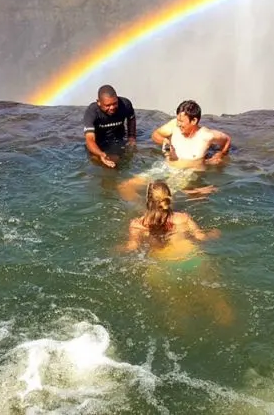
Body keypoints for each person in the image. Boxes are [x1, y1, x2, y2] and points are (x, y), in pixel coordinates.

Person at [119, 180, 233, 327]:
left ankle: (185, 338)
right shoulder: (183, 218)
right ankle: (233, 332)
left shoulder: (138, 224)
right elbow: (201, 237)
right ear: (169, 198)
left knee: (178, 307)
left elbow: (132, 247)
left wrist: (116, 249)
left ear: (148, 200)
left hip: (162, 267)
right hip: (192, 260)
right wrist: (214, 233)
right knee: (216, 301)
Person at [117, 99, 229, 201]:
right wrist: (166, 142)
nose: (178, 124)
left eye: (181, 121)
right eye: (177, 119)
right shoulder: (174, 126)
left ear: (194, 120)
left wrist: (220, 154)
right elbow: (156, 134)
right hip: (165, 166)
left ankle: (157, 215)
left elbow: (226, 140)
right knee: (125, 186)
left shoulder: (206, 136)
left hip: (185, 173)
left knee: (160, 200)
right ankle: (141, 209)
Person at [83, 84, 136, 168]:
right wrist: (100, 154)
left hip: (118, 139)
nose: (112, 107)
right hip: (99, 142)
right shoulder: (91, 112)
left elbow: (131, 118)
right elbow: (90, 139)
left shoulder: (125, 104)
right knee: (97, 161)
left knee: (119, 162)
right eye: (107, 105)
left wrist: (131, 137)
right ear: (99, 102)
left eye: (115, 103)